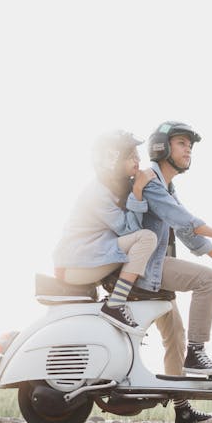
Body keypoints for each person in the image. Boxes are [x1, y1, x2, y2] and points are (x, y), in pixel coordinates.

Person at [138, 120, 212, 423]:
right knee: (206, 281)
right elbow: (184, 220)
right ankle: (198, 352)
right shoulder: (151, 179)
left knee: (174, 336)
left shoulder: (166, 184)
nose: (188, 149)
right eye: (181, 143)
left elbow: (188, 234)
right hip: (146, 267)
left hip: (154, 268)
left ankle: (182, 410)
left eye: (190, 145)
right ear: (162, 147)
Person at [53, 130, 157, 335]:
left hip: (90, 257)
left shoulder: (114, 187)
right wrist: (138, 191)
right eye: (130, 156)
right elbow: (130, 230)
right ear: (113, 160)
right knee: (146, 238)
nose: (138, 160)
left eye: (137, 154)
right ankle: (114, 305)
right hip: (75, 265)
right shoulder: (97, 192)